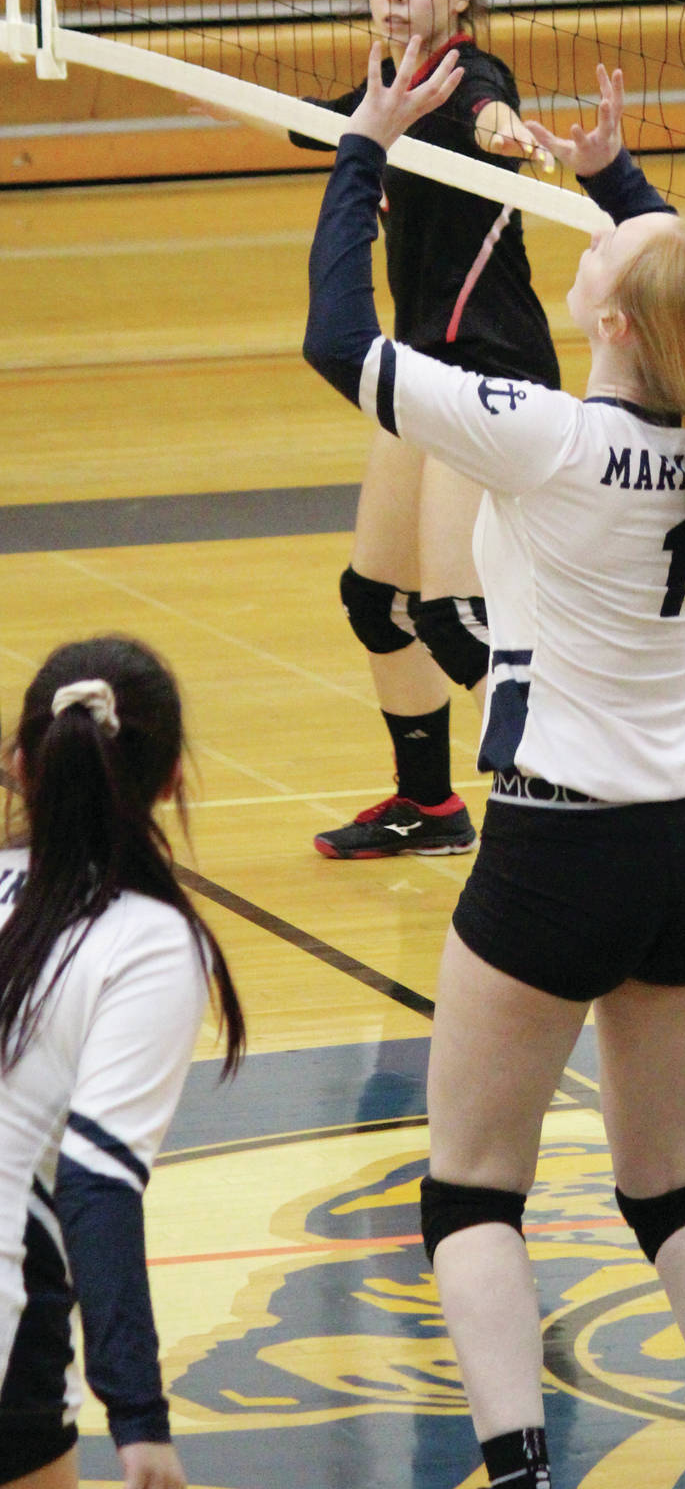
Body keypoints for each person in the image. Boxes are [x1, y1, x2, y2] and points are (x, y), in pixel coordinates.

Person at [302, 52, 685, 1488]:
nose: (597, 236)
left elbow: (342, 344)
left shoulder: (545, 439)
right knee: (669, 1184)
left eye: (611, 249)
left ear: (612, 318)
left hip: (554, 853)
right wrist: (612, 181)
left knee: (467, 1193)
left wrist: (363, 157)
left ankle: (519, 1470)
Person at [295, 0, 559, 860]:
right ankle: (429, 808)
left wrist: (502, 130)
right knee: (378, 597)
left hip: (491, 369)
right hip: (421, 368)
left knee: (452, 614)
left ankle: (552, 802)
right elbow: (321, 131)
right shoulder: (385, 82)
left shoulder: (465, 76)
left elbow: (486, 108)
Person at [0, 635, 246, 1489]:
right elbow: (96, 1187)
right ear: (174, 775)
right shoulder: (146, 942)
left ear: (20, 764)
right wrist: (139, 1421)